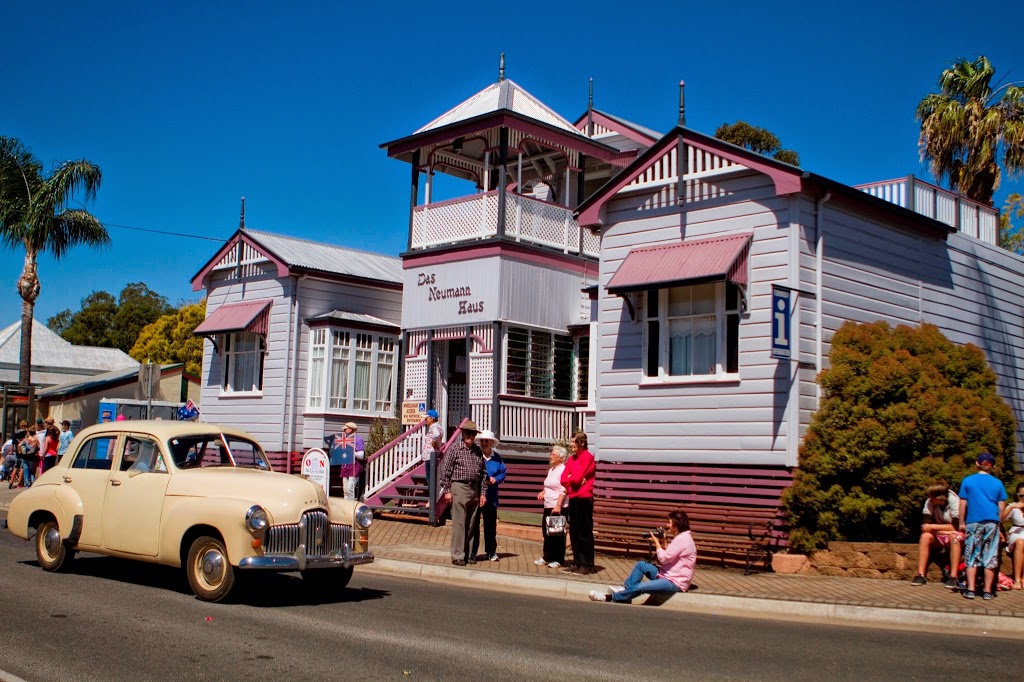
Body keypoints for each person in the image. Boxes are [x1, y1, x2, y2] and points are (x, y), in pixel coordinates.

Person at [590, 508, 697, 603]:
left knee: (641, 587)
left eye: (669, 522)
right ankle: (626, 593)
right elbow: (670, 555)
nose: (667, 525)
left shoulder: (682, 539)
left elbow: (664, 559)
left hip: (674, 582)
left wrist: (656, 543)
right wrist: (664, 541)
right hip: (666, 575)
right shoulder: (683, 537)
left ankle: (608, 597)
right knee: (641, 565)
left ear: (676, 524)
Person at [958, 450, 1007, 600]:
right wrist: (998, 521)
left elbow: (962, 503)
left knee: (972, 554)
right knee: (990, 555)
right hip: (991, 521)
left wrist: (961, 522)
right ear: (992, 466)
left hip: (973, 521)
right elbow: (1001, 505)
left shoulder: (968, 481)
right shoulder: (997, 483)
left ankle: (971, 589)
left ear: (977, 463)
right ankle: (987, 591)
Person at [438, 419, 488, 566]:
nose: (470, 436)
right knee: (459, 523)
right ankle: (457, 555)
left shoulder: (478, 451)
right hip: (459, 487)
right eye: (468, 433)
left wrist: (483, 493)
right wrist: (447, 490)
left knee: (472, 523)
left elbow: (484, 474)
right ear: (462, 433)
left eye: (473, 434)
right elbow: (445, 472)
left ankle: (469, 554)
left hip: (475, 488)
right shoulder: (455, 449)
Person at [910, 481, 963, 588]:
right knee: (925, 537)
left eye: (932, 496)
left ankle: (953, 577)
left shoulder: (955, 501)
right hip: (939, 535)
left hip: (955, 534)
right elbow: (925, 527)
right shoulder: (929, 502)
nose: (930, 498)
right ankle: (921, 575)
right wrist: (940, 530)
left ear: (940, 497)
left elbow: (955, 527)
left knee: (954, 537)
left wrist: (934, 528)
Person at [561, 431, 597, 575]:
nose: (571, 445)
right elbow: (564, 479)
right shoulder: (571, 459)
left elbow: (577, 478)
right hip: (574, 497)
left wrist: (573, 479)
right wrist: (572, 479)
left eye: (573, 442)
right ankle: (577, 562)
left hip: (584, 497)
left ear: (581, 443)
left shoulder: (588, 457)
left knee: (584, 532)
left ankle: (587, 564)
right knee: (574, 532)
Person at [470, 430, 506, 562]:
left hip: (491, 496)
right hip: (476, 494)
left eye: (487, 441)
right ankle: (472, 551)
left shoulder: (497, 457)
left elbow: (503, 473)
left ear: (491, 442)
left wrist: (495, 479)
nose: (484, 443)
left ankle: (491, 551)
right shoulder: (475, 455)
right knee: (474, 525)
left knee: (490, 525)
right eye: (482, 441)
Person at [535, 445, 569, 568]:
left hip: (557, 506)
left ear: (561, 458)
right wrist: (543, 492)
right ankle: (547, 556)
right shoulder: (551, 470)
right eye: (551, 454)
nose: (551, 456)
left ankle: (559, 558)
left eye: (553, 455)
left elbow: (564, 489)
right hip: (547, 505)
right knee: (547, 532)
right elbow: (548, 485)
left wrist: (558, 505)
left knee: (557, 533)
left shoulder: (563, 469)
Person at [1002, 482, 1024, 589]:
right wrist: (1012, 507)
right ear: (1017, 495)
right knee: (1020, 542)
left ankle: (1023, 577)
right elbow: (1001, 519)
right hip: (1016, 534)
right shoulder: (1013, 506)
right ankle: (1017, 579)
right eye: (1021, 496)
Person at [339, 422, 365, 500]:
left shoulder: (358, 440)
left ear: (351, 429)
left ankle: (350, 508)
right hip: (345, 466)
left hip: (354, 467)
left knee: (350, 489)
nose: (344, 431)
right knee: (346, 490)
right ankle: (345, 507)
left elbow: (361, 456)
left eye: (345, 429)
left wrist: (352, 452)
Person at [422, 409, 443, 490]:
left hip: (430, 455)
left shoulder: (434, 427)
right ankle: (432, 497)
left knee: (430, 478)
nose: (425, 419)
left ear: (432, 418)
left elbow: (436, 435)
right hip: (432, 454)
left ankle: (431, 498)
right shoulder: (438, 427)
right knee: (431, 477)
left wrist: (434, 442)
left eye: (427, 418)